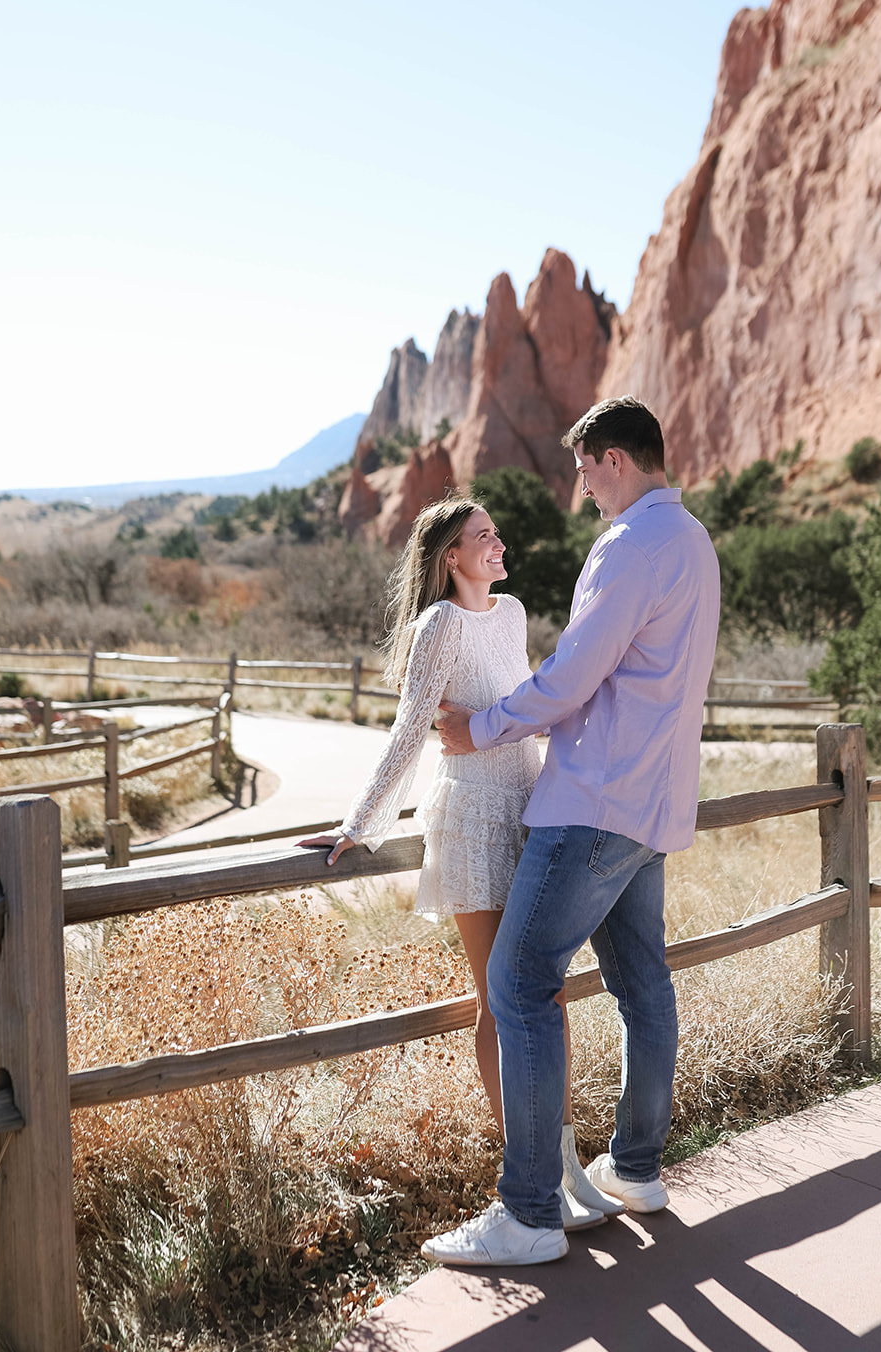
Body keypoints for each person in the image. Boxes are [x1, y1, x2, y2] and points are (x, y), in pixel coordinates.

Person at [425, 395, 720, 1268]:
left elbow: (573, 676)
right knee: (640, 984)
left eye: (586, 469)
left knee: (516, 986)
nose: (581, 487)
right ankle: (635, 1170)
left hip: (591, 802)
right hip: (654, 803)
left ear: (615, 460)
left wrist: (475, 730)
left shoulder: (628, 546)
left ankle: (526, 1215)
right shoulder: (694, 541)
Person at [296, 495, 621, 1230]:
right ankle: (531, 1175)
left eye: (496, 533)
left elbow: (532, 701)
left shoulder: (508, 613)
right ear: (451, 556)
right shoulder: (437, 624)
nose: (498, 544)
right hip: (472, 815)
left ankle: (564, 1164)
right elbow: (410, 729)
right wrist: (359, 824)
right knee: (499, 1001)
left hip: (529, 805)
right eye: (483, 537)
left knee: (546, 994)